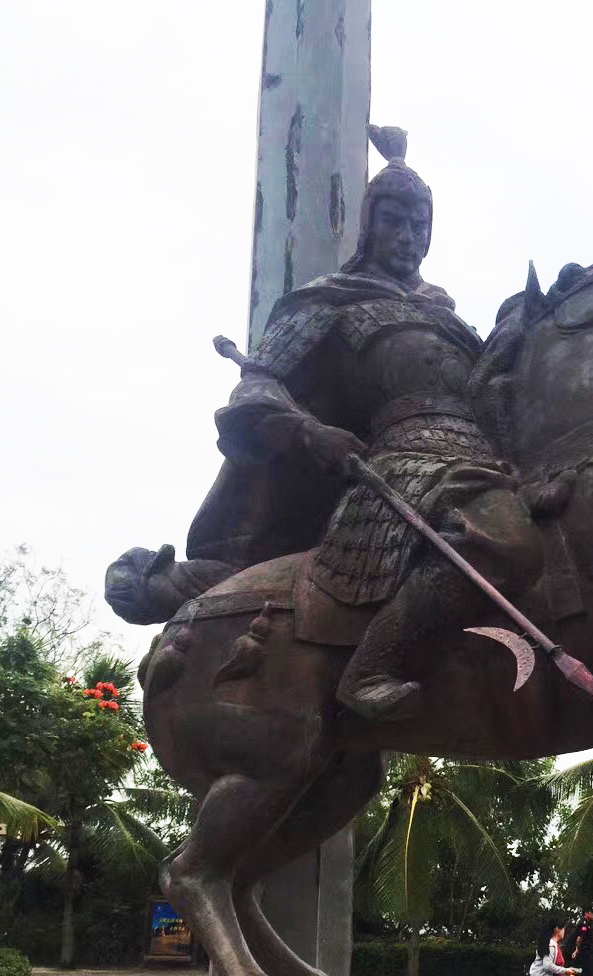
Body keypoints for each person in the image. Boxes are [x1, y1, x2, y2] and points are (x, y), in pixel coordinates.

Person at [104, 125, 540, 723]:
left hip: (488, 456)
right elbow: (258, 386)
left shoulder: (449, 321)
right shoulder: (331, 301)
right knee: (504, 540)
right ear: (368, 227)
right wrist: (308, 432)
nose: (408, 237)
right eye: (394, 221)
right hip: (403, 464)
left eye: (419, 226)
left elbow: (491, 386)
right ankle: (372, 668)